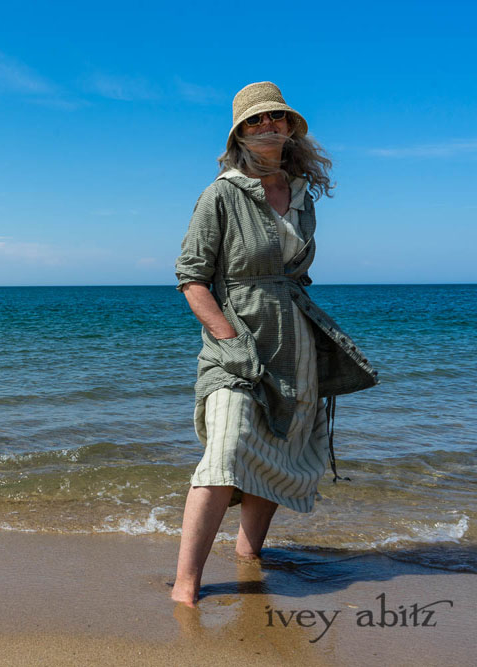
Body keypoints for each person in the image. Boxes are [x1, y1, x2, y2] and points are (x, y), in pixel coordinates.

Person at [170, 81, 378, 606]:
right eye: (257, 120)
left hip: (297, 343)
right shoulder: (221, 193)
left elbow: (294, 274)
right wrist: (230, 339)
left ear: (290, 129)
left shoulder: (302, 194)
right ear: (240, 133)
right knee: (225, 451)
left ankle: (248, 560)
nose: (270, 126)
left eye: (278, 119)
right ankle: (186, 587)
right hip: (237, 345)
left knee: (279, 452)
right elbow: (192, 278)